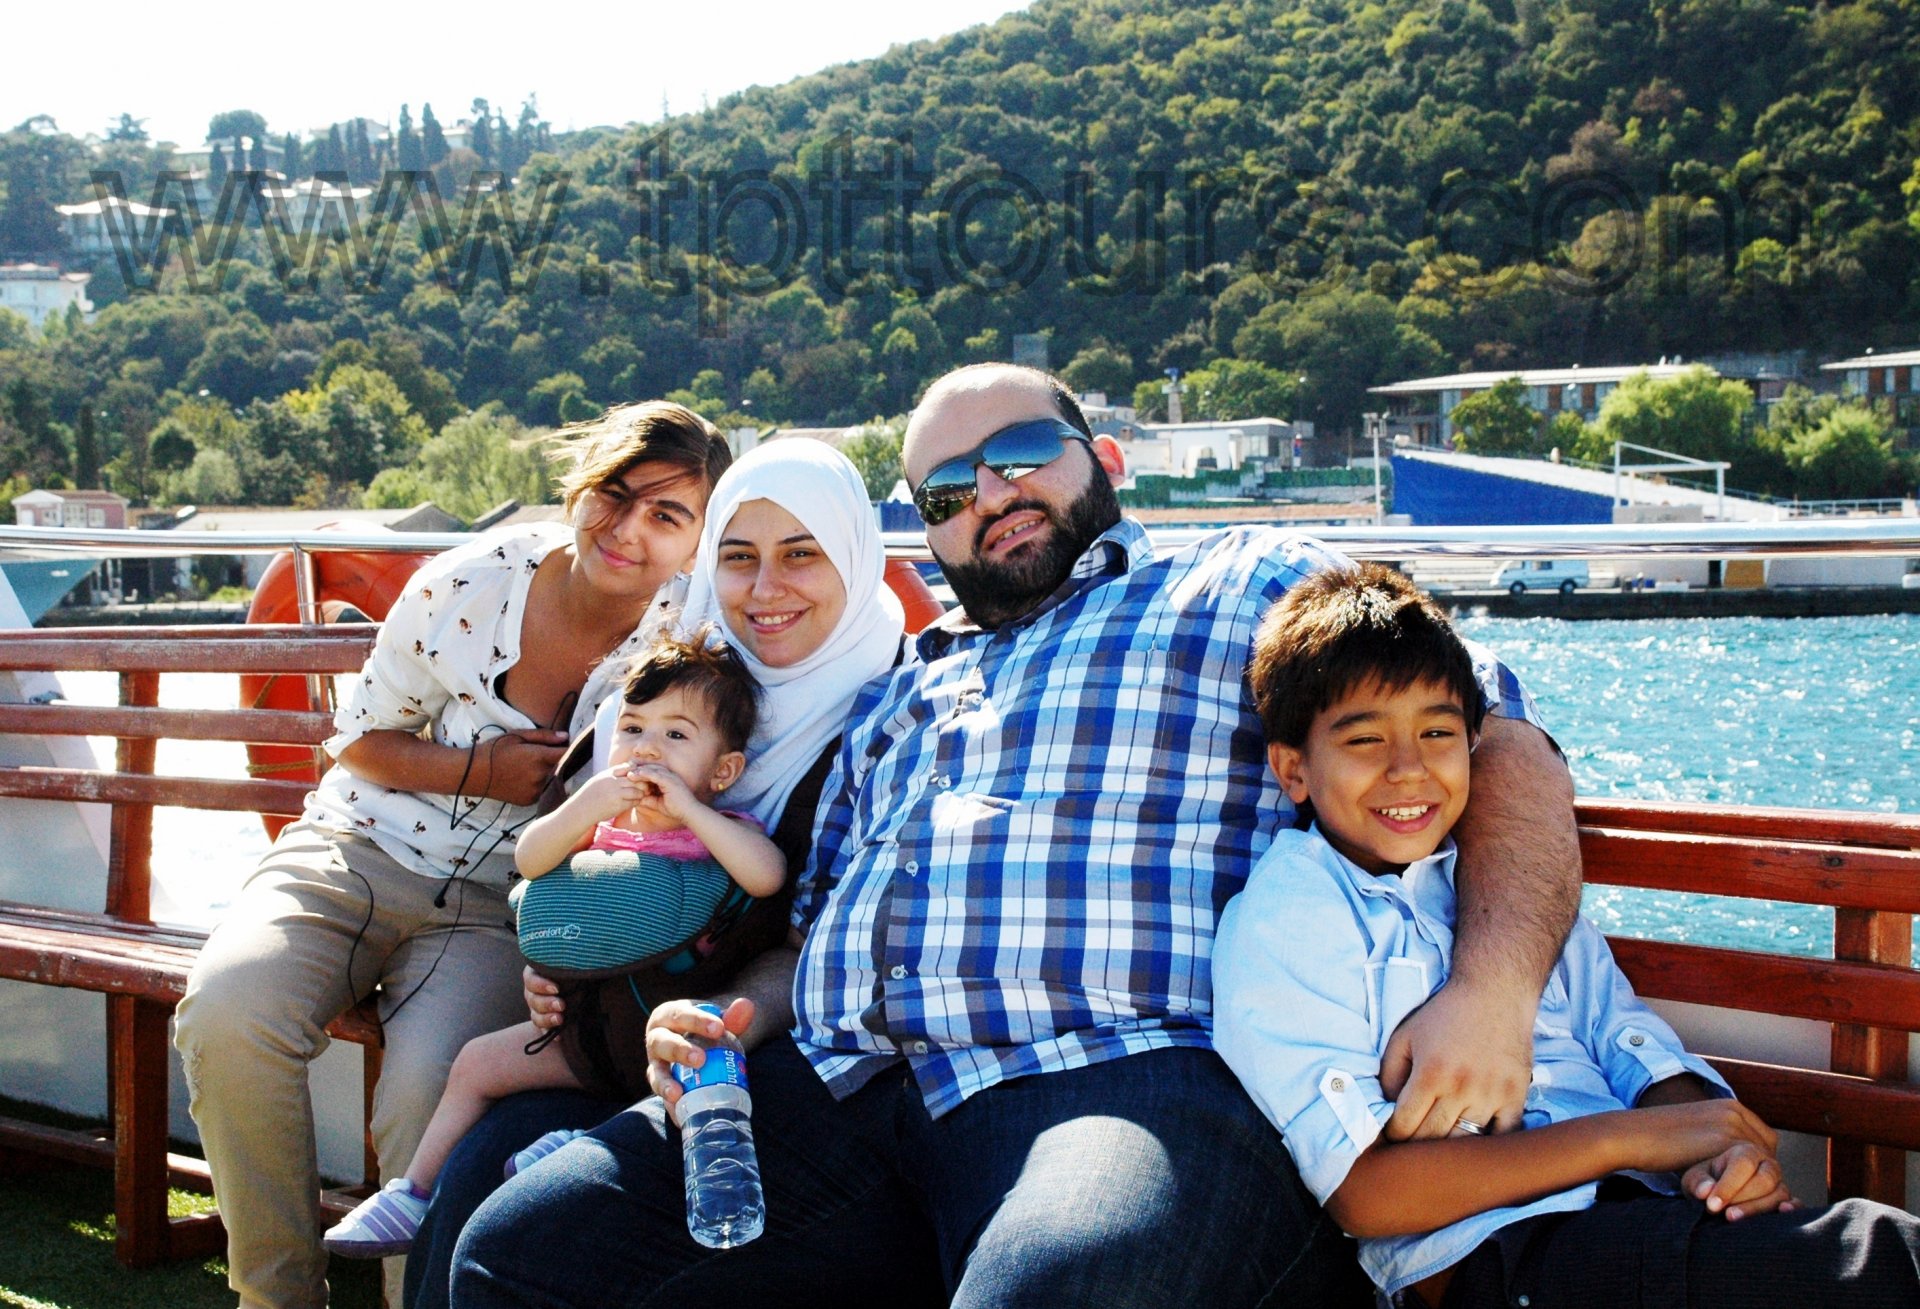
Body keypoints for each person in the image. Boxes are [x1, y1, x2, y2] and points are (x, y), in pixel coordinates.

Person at [439, 362, 1584, 1308]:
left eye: (1023, 449)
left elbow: (1502, 741)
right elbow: (812, 927)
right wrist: (735, 1017)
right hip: (848, 1087)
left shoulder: (1247, 582)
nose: (989, 489)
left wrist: (1494, 988)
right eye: (944, 486)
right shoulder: (906, 687)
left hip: (1118, 1076)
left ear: (1107, 460)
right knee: (524, 1251)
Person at [1213, 562, 1920, 1307]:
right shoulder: (1290, 914)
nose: (1409, 768)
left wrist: (1718, 1150)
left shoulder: (1505, 898)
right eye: (1364, 740)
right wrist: (1641, 1139)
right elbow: (1366, 1197)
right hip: (1501, 1258)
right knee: (1879, 1259)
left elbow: (1622, 1038)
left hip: (1644, 1217)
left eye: (1437, 732)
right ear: (1293, 768)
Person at [173, 400, 732, 1309]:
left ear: (699, 538)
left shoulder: (683, 640)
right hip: (357, 847)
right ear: (579, 484)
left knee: (428, 1088)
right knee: (228, 1016)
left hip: (495, 905)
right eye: (614, 493)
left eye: (667, 515)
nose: (628, 529)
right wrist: (482, 767)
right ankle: (277, 1295)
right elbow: (355, 738)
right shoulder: (466, 585)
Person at [403, 436, 905, 1308]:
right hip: (608, 1033)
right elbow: (565, 853)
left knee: (550, 1226)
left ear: (856, 559)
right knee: (480, 1164)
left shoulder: (895, 712)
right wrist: (565, 951)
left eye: (802, 555)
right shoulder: (675, 691)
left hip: (748, 1061)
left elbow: (817, 937)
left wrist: (713, 1024)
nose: (765, 588)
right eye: (739, 557)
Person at [321, 635, 784, 1259]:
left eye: (676, 736)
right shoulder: (596, 828)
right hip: (577, 1033)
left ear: (723, 771)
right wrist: (586, 805)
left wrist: (693, 814)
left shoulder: (721, 835)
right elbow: (531, 859)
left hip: (659, 1041)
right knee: (477, 1063)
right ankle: (412, 1191)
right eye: (632, 728)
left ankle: (578, 1141)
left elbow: (766, 876)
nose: (646, 747)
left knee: (667, 1090)